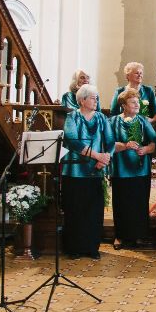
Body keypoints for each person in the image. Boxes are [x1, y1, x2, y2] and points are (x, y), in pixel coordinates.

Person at [62, 84, 114, 259]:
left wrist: (105, 158)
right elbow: (72, 141)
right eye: (93, 97)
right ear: (82, 100)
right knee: (75, 210)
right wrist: (97, 155)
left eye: (96, 97)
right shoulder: (72, 117)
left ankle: (92, 247)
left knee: (94, 211)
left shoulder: (101, 118)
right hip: (75, 172)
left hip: (95, 171)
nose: (96, 100)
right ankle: (74, 247)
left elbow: (111, 142)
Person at [109, 89, 156, 249]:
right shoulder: (113, 121)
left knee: (139, 203)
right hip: (121, 169)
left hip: (140, 169)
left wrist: (146, 150)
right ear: (123, 105)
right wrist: (124, 146)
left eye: (138, 101)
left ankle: (139, 235)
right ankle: (120, 236)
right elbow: (107, 144)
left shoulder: (143, 121)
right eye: (133, 102)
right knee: (121, 203)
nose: (137, 104)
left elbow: (155, 143)